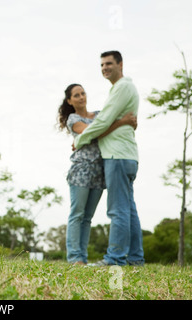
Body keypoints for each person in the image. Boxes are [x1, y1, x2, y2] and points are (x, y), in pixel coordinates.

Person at [74, 51, 145, 266]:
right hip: (126, 156)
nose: (105, 68)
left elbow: (103, 121)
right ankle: (134, 258)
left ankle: (115, 258)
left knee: (118, 209)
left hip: (117, 156)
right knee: (128, 208)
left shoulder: (122, 87)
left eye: (109, 64)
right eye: (102, 64)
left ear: (120, 64)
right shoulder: (121, 88)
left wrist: (79, 140)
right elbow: (109, 120)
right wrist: (123, 121)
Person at [58, 83, 137, 265]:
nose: (81, 97)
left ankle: (82, 258)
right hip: (82, 170)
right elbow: (93, 133)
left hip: (100, 171)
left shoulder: (99, 115)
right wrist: (122, 122)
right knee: (77, 214)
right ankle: (74, 257)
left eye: (83, 93)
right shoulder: (73, 119)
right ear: (70, 101)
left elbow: (103, 129)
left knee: (87, 218)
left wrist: (126, 122)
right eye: (76, 95)